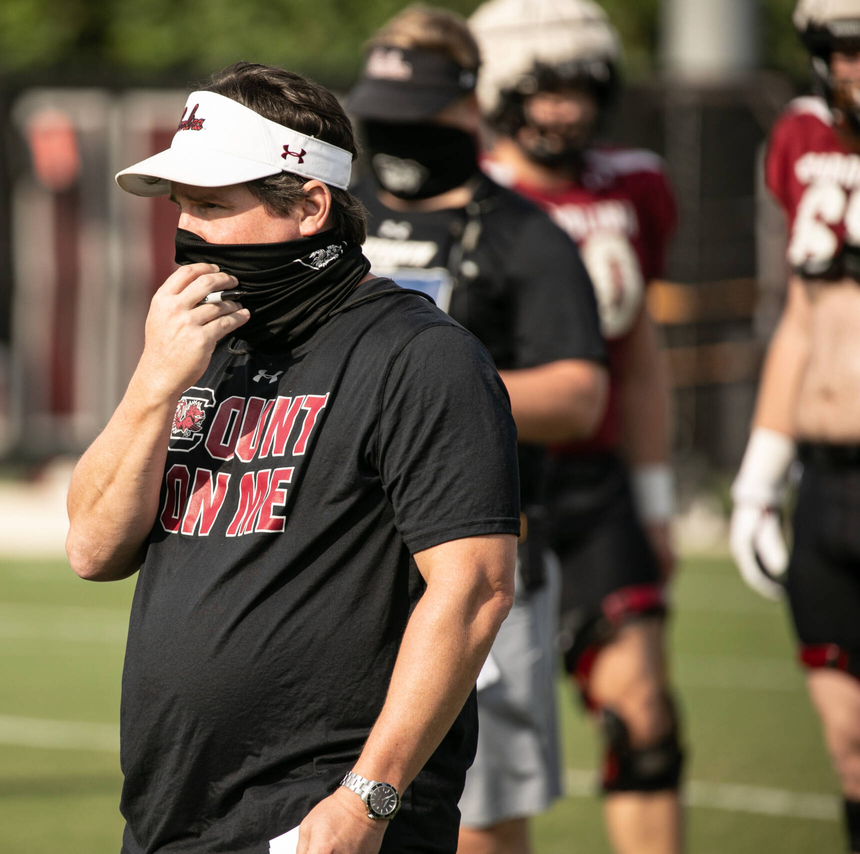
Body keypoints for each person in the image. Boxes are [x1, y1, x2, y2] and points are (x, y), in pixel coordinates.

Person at [66, 61, 524, 854]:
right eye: (181, 206)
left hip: (327, 820)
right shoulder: (202, 344)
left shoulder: (420, 356)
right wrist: (152, 383)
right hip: (173, 820)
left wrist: (367, 798)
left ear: (310, 206)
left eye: (213, 206)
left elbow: (476, 587)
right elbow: (91, 550)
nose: (188, 233)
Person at [345, 7, 609, 853]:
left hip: (478, 559)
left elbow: (579, 394)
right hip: (344, 563)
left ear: (471, 107)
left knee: (480, 821)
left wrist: (422, 394)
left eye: (417, 111)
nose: (396, 131)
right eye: (382, 112)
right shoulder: (336, 218)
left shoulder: (524, 232)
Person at [468, 2, 687, 852]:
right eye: (543, 89)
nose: (564, 109)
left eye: (579, 89)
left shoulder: (633, 185)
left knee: (644, 716)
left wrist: (656, 499)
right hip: (489, 486)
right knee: (483, 762)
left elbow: (639, 357)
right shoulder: (468, 195)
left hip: (595, 483)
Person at [730, 3, 860, 851]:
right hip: (825, 480)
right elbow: (804, 320)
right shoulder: (804, 137)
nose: (854, 69)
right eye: (843, 50)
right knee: (849, 751)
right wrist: (758, 479)